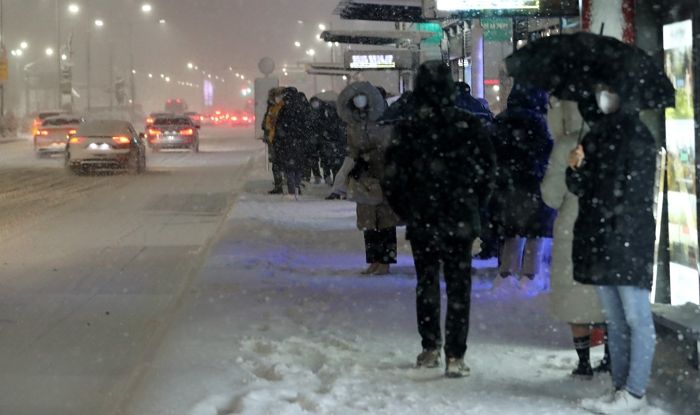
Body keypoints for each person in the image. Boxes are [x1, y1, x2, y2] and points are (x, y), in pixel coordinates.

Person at [383, 61, 496, 378]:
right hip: (459, 218)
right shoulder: (469, 126)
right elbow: (488, 172)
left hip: (423, 217)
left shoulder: (408, 128)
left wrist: (407, 209)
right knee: (460, 288)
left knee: (427, 283)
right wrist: (475, 205)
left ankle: (430, 346)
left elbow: (391, 177)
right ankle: (456, 356)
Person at [567, 84, 657, 413]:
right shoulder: (597, 135)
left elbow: (633, 193)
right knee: (615, 321)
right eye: (600, 91)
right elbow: (579, 186)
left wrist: (599, 186)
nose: (603, 97)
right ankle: (620, 387)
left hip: (626, 238)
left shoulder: (637, 137)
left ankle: (634, 391)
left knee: (636, 317)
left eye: (609, 91)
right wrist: (575, 165)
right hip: (602, 238)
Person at [541, 98, 610, 379]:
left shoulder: (566, 144)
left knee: (575, 295)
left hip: (573, 224)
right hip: (608, 225)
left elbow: (552, 196)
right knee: (607, 295)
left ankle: (582, 362)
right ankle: (611, 356)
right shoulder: (613, 137)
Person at [491, 83, 555, 292]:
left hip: (506, 186)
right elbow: (547, 153)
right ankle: (530, 275)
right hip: (534, 184)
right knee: (535, 232)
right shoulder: (540, 123)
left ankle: (506, 273)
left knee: (512, 231)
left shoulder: (500, 122)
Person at [339, 82, 399, 275]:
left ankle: (385, 261)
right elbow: (352, 147)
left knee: (385, 221)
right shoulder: (353, 123)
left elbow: (388, 147)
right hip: (364, 178)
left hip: (383, 176)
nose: (359, 101)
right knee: (368, 221)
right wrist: (354, 164)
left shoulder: (385, 121)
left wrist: (369, 157)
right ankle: (374, 260)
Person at [274, 88, 308, 196]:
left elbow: (279, 125)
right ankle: (297, 186)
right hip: (299, 141)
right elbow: (307, 125)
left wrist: (279, 139)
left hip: (288, 142)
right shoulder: (301, 107)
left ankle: (292, 189)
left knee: (289, 167)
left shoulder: (284, 108)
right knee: (298, 165)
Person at [262, 88, 286, 194]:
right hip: (273, 138)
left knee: (280, 163)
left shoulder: (283, 107)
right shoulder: (271, 107)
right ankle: (278, 185)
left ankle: (283, 185)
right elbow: (267, 122)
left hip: (281, 139)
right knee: (276, 164)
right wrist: (266, 133)